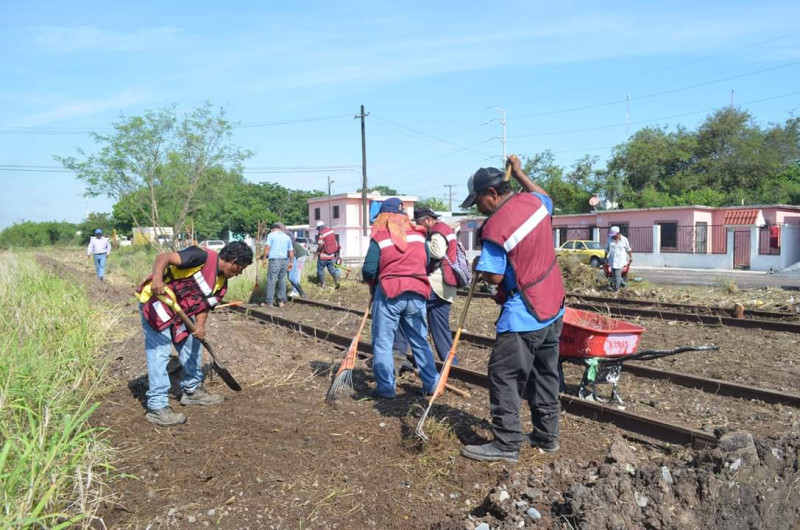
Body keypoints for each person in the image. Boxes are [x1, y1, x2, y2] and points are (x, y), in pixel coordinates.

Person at [459, 155, 566, 463]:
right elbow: (546, 196)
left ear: (491, 193)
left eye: (478, 201)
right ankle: (547, 436)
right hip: (553, 306)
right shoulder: (535, 204)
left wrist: (480, 265)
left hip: (524, 314)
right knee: (544, 374)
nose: (478, 208)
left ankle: (506, 444)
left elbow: (493, 275)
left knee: (504, 374)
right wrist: (520, 174)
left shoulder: (495, 226)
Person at [136, 241, 253, 426]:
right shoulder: (200, 256)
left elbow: (204, 306)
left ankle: (192, 391)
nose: (239, 273)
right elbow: (163, 257)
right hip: (157, 304)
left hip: (181, 312)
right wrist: (157, 279)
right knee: (160, 352)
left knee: (192, 344)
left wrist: (200, 326)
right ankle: (157, 407)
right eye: (241, 268)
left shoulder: (222, 284)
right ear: (234, 261)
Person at [362, 198, 439, 399]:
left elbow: (369, 270)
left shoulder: (379, 238)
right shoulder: (420, 237)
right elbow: (428, 262)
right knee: (419, 340)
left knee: (383, 342)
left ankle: (387, 388)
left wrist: (373, 282)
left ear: (384, 217)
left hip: (389, 293)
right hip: (417, 291)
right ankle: (432, 384)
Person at [413, 207, 457, 363]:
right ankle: (452, 366)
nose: (419, 226)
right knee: (440, 329)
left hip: (437, 283)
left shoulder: (438, 231)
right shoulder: (446, 229)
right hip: (446, 285)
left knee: (408, 313)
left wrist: (419, 247)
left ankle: (403, 355)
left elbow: (437, 253)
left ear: (427, 220)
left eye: (419, 223)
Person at [261, 223, 294, 308]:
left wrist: (264, 259)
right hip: (285, 260)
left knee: (271, 280)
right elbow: (291, 250)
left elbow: (267, 247)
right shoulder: (287, 237)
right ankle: (281, 301)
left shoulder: (271, 235)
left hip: (274, 260)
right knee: (282, 280)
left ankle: (269, 302)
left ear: (272, 229)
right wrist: (291, 262)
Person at [604, 226, 632, 291]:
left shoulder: (624, 240)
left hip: (621, 261)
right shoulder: (609, 239)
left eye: (614, 235)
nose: (613, 236)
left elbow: (628, 249)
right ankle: (624, 284)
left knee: (617, 274)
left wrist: (631, 257)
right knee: (614, 275)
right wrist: (605, 258)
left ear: (618, 233)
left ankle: (616, 289)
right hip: (612, 260)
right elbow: (606, 249)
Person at [315, 220, 341, 288]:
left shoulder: (321, 234)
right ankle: (337, 282)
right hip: (331, 255)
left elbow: (320, 245)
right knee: (332, 270)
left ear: (319, 227)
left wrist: (317, 252)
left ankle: (323, 284)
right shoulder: (331, 231)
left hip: (323, 256)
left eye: (318, 228)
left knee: (320, 270)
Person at [287, 230, 308, 299]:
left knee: (297, 273)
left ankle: (295, 291)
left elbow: (293, 253)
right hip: (302, 256)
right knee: (296, 274)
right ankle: (295, 290)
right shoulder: (292, 242)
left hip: (301, 257)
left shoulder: (291, 244)